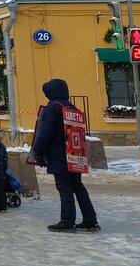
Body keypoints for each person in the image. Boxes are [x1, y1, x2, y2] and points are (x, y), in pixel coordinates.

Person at [31, 79, 99, 232]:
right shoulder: (72, 107)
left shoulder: (53, 108)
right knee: (77, 186)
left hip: (59, 155)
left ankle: (67, 221)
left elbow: (45, 133)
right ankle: (90, 219)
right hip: (75, 154)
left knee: (64, 187)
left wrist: (38, 152)